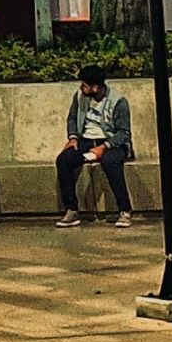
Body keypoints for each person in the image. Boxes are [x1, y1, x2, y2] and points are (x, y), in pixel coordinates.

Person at [55, 67, 135, 227]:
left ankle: (125, 210)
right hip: (85, 141)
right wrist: (73, 137)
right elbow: (72, 118)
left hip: (111, 141)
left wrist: (103, 147)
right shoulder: (80, 97)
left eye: (84, 85)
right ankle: (71, 209)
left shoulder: (118, 101)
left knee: (110, 162)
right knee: (64, 160)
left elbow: (123, 133)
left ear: (95, 88)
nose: (81, 88)